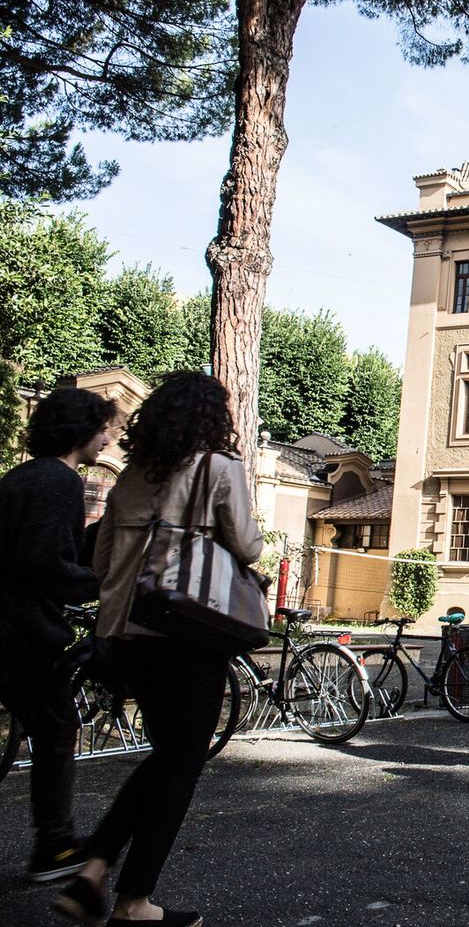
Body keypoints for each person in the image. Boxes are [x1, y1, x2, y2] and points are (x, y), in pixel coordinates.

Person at [55, 372, 263, 927]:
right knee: (182, 762)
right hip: (188, 631)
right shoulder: (218, 467)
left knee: (166, 756)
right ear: (212, 417)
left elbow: (102, 564)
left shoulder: (130, 476)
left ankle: (93, 872)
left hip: (125, 634)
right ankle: (132, 902)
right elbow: (248, 545)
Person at [0, 388, 116, 883]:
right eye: (103, 429)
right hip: (21, 632)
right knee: (55, 728)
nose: (108, 440)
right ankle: (55, 846)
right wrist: (106, 583)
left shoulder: (22, 477)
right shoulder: (60, 481)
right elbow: (45, 562)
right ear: (81, 431)